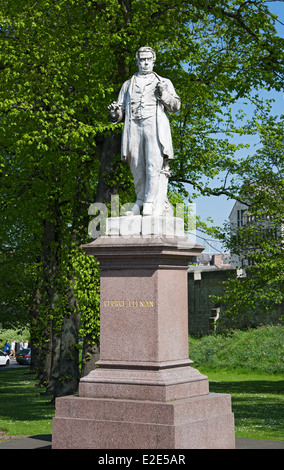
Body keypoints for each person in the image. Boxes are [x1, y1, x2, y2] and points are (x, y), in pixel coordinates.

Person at [108, 46, 181, 217]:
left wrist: (163, 94)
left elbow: (176, 106)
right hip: (134, 126)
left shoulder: (164, 82)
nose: (145, 62)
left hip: (153, 126)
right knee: (136, 166)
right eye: (142, 59)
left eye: (148, 59)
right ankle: (139, 201)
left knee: (152, 164)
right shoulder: (128, 84)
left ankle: (149, 202)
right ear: (137, 61)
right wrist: (114, 113)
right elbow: (119, 113)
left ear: (153, 60)